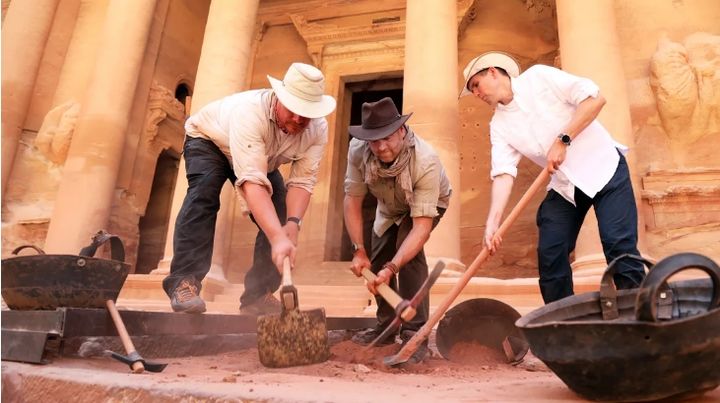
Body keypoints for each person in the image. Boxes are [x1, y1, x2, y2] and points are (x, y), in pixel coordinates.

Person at [460, 51, 646, 304]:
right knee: (551, 251)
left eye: (476, 85)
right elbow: (503, 172)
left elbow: (595, 99)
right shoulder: (499, 125)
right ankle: (561, 328)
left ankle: (640, 317)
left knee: (618, 245)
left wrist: (563, 139)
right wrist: (493, 222)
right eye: (472, 90)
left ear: (493, 72)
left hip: (605, 169)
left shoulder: (539, 77)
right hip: (566, 186)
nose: (476, 93)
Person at [162, 63, 336, 314]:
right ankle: (183, 282)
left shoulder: (317, 129)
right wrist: (277, 238)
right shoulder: (250, 111)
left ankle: (257, 296)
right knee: (204, 195)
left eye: (306, 113)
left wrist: (292, 224)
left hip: (261, 156)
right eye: (294, 110)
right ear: (279, 98)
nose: (299, 119)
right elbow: (252, 182)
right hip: (211, 141)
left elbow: (302, 181)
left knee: (279, 214)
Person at [344, 97, 451, 362]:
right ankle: (387, 326)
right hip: (388, 206)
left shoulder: (425, 160)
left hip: (426, 205)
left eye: (387, 138)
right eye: (374, 140)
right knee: (377, 257)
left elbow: (420, 228)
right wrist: (358, 250)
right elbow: (352, 200)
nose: (380, 147)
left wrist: (393, 268)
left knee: (408, 256)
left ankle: (416, 334)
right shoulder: (358, 150)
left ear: (401, 131)